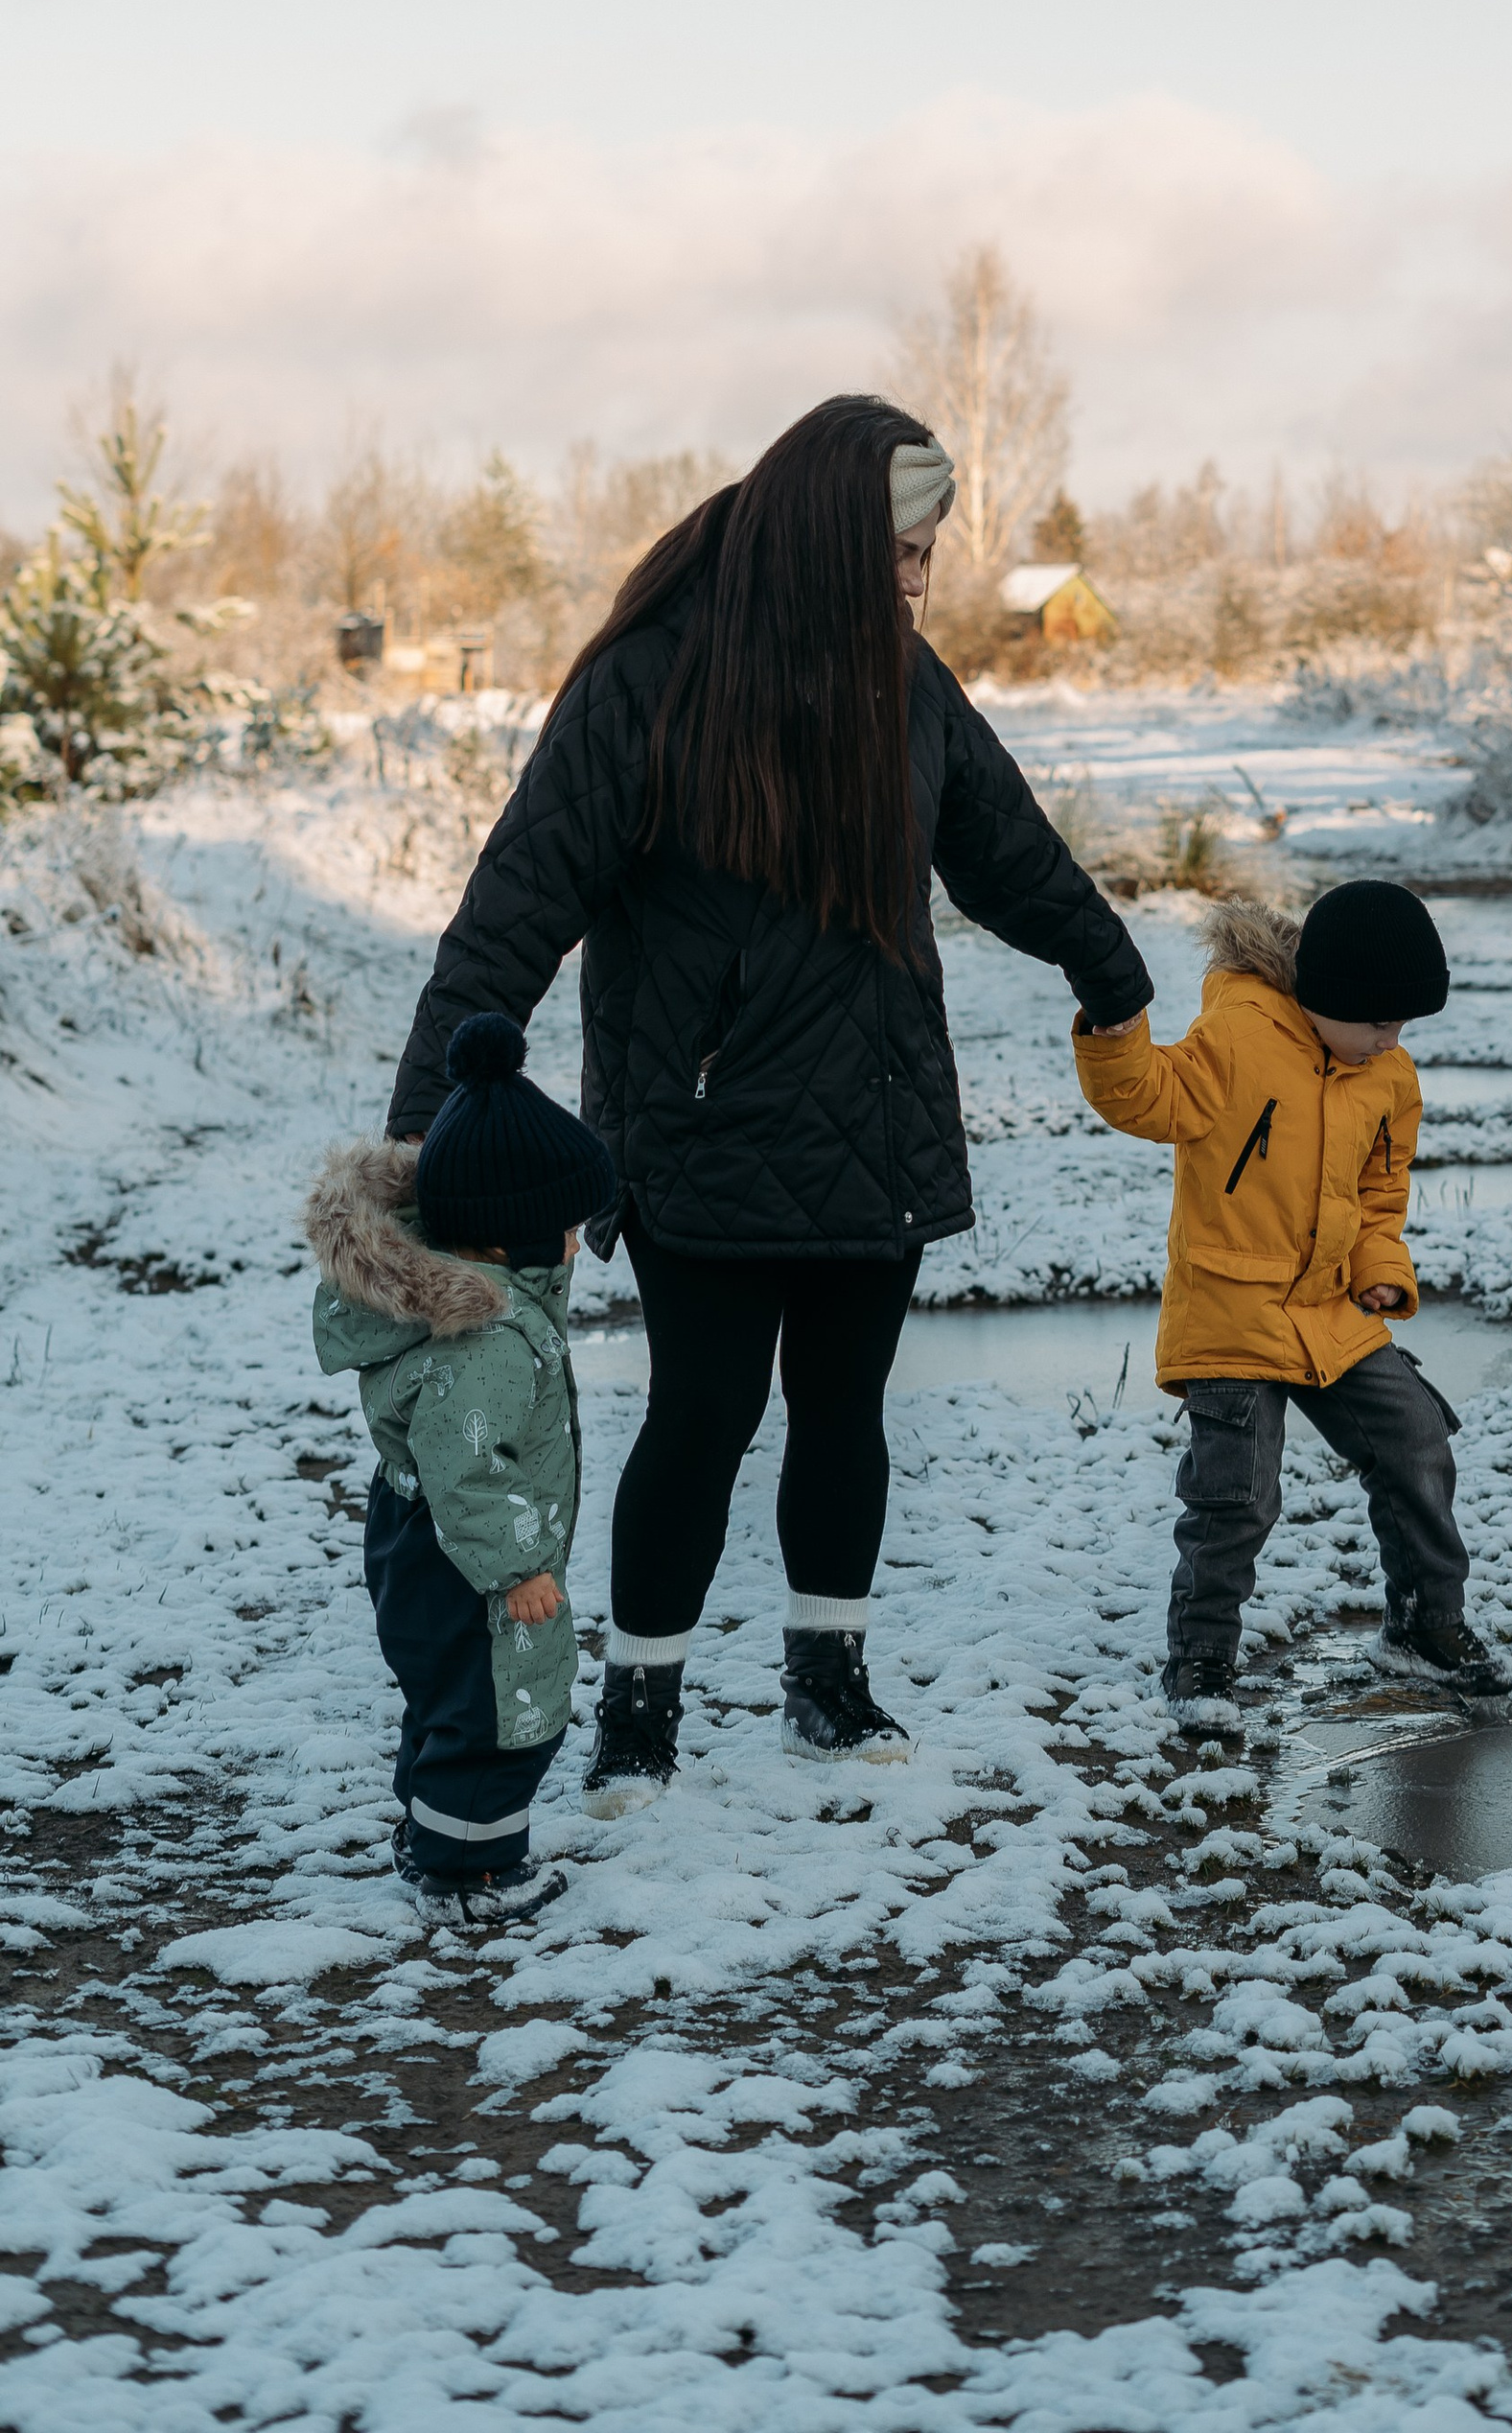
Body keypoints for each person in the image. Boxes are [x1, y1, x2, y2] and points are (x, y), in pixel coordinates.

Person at [385, 392, 1153, 1805]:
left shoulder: (903, 681)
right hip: (702, 1137)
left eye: (927, 557)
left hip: (878, 1124)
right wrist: (421, 1132)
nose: (917, 586)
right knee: (703, 1417)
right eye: (902, 554)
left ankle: (828, 1686)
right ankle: (641, 1711)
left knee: (846, 1411)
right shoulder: (650, 684)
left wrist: (1112, 972)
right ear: (826, 539)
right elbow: (512, 913)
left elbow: (1009, 850)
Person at [1075, 878, 1512, 1708]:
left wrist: (1381, 1267)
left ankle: (1423, 1626)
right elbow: (1148, 1097)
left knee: (1416, 1441)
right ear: (1329, 994)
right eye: (1379, 1022)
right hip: (1232, 1311)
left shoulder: (1387, 1076)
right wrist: (1115, 1035)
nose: (1391, 1041)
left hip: (1329, 1309)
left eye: (1404, 1025)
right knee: (1237, 1493)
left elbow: (1381, 1191)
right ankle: (1201, 1661)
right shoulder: (1238, 1035)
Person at [308, 1010, 608, 1927]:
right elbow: (466, 1469)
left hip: (426, 1543)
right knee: (492, 1715)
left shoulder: (484, 1304)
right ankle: (467, 1876)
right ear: (505, 1237)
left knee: (448, 1697)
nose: (573, 1244)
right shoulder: (487, 1339)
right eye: (563, 1227)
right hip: (464, 1555)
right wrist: (515, 1568)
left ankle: (432, 1835)